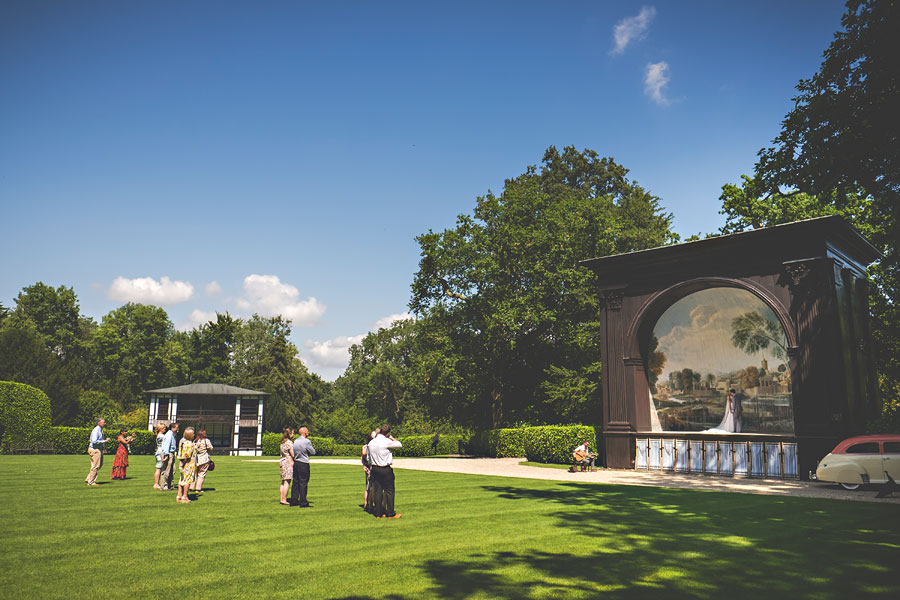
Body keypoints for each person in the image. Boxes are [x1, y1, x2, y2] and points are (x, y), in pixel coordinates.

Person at [367, 423, 402, 519]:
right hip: (385, 468)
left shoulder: (371, 443)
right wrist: (391, 437)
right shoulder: (386, 441)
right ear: (387, 433)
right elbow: (399, 444)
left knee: (378, 491)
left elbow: (369, 458)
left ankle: (378, 513)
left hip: (375, 468)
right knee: (389, 491)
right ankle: (390, 513)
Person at [290, 426, 315, 507]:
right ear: (304, 432)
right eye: (307, 431)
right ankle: (303, 502)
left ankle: (294, 500)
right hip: (303, 463)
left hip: (296, 463)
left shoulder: (296, 441)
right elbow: (313, 452)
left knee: (295, 482)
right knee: (303, 482)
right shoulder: (307, 441)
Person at [85, 418, 109, 486]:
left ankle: (88, 479)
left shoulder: (100, 430)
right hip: (95, 449)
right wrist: (104, 441)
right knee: (96, 466)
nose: (105, 423)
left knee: (99, 464)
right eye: (103, 422)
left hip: (98, 449)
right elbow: (94, 441)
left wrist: (103, 448)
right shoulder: (96, 430)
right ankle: (91, 482)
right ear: (99, 423)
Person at [176, 427, 197, 503]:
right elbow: (187, 456)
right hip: (189, 465)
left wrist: (181, 464)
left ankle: (179, 495)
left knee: (182, 479)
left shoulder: (183, 443)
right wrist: (183, 464)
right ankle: (185, 497)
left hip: (184, 464)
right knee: (187, 481)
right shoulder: (190, 444)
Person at [158, 423, 179, 491]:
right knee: (167, 470)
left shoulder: (172, 435)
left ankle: (170, 485)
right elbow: (166, 445)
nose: (178, 429)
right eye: (177, 427)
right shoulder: (169, 435)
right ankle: (164, 486)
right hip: (169, 453)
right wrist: (166, 455)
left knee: (172, 470)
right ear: (173, 428)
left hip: (171, 453)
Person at [192, 429, 213, 493]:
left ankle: (191, 487)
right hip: (204, 459)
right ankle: (198, 489)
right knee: (201, 474)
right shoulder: (206, 441)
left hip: (196, 459)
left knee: (194, 474)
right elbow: (211, 448)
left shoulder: (195, 441)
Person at [279, 428, 295, 505]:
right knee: (287, 481)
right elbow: (293, 454)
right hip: (288, 463)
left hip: (282, 462)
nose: (293, 435)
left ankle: (281, 498)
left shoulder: (282, 442)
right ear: (289, 434)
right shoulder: (289, 443)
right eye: (292, 433)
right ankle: (284, 499)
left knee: (283, 481)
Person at [153, 424, 166, 489]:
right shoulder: (161, 436)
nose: (165, 429)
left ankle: (157, 483)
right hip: (161, 452)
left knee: (159, 468)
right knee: (159, 468)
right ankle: (156, 483)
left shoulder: (158, 435)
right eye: (163, 428)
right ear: (160, 429)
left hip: (158, 451)